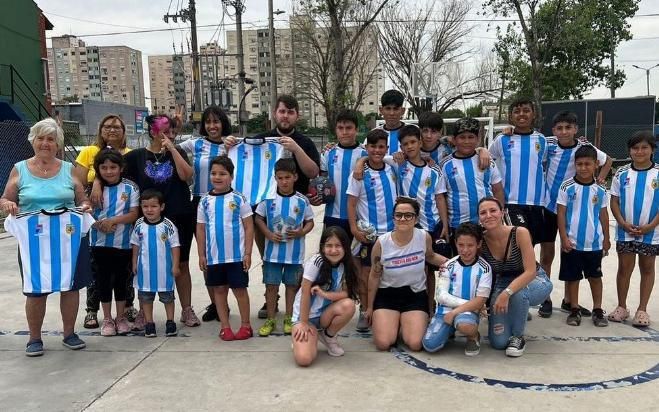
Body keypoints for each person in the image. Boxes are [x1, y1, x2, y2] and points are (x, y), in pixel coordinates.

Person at [0, 118, 93, 356]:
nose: (45, 143)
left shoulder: (68, 169)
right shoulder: (19, 169)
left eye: (51, 139)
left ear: (57, 144)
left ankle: (69, 333)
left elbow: (82, 199)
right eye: (40, 138)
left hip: (68, 238)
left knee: (70, 287)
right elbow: (5, 198)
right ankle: (34, 338)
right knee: (36, 290)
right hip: (34, 239)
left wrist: (85, 206)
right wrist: (8, 204)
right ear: (32, 141)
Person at [123, 115, 201, 328]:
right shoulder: (137, 156)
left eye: (172, 130)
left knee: (181, 263)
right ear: (152, 132)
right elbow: (111, 172)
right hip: (148, 219)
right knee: (145, 263)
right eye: (165, 131)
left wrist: (173, 149)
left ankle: (186, 309)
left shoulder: (178, 152)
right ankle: (143, 312)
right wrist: (96, 185)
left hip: (178, 215)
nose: (170, 134)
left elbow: (187, 176)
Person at [249, 95, 320, 319]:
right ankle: (271, 297)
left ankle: (294, 301)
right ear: (274, 113)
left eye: (290, 112)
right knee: (268, 257)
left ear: (297, 115)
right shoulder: (261, 139)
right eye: (282, 111)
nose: (285, 116)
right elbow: (244, 163)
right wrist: (230, 143)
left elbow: (313, 172)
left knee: (293, 258)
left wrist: (296, 149)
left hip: (295, 213)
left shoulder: (305, 143)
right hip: (266, 211)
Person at [541, 111, 612, 318]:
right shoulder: (548, 144)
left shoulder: (583, 147)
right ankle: (546, 297)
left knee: (570, 255)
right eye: (560, 128)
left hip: (572, 209)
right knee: (547, 255)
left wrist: (600, 179)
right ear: (554, 130)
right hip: (549, 207)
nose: (564, 132)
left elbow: (607, 160)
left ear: (575, 129)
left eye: (568, 127)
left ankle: (568, 301)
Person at [74, 114, 133, 329]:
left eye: (117, 126)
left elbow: (130, 183)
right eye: (107, 126)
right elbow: (78, 183)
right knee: (97, 270)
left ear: (124, 131)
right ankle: (92, 309)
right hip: (95, 214)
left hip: (122, 219)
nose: (112, 130)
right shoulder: (89, 152)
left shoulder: (130, 154)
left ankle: (127, 307)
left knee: (124, 270)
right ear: (100, 130)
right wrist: (97, 184)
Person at [366, 197, 449, 351]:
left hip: (415, 295)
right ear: (393, 218)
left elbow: (430, 256)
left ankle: (404, 323)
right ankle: (393, 323)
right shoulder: (381, 243)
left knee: (415, 343)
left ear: (416, 218)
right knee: (383, 343)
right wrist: (369, 307)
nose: (403, 219)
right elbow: (374, 275)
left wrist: (454, 263)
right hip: (387, 294)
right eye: (398, 215)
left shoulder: (423, 237)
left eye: (408, 215)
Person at [478, 196, 553, 357]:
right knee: (498, 342)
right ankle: (518, 311)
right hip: (503, 282)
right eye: (483, 213)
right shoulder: (481, 241)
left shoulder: (519, 233)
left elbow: (530, 271)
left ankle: (518, 337)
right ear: (479, 217)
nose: (488, 215)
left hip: (535, 280)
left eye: (493, 210)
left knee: (518, 293)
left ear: (502, 212)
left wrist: (505, 294)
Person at [178, 105, 232, 323]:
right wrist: (176, 126)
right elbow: (168, 147)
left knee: (222, 256)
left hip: (224, 204)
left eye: (216, 121)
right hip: (199, 202)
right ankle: (216, 304)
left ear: (223, 123)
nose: (212, 126)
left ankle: (224, 302)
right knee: (206, 257)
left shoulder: (231, 144)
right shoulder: (195, 143)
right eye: (208, 122)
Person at [196, 156, 255, 341]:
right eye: (213, 173)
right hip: (214, 257)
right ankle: (225, 327)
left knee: (240, 290)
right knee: (219, 291)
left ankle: (246, 325)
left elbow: (249, 227)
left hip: (236, 257)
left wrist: (247, 253)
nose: (217, 177)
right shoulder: (204, 201)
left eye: (222, 173)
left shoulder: (239, 198)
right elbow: (200, 228)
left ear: (231, 176)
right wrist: (201, 254)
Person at [255, 158, 315, 336]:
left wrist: (301, 232)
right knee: (271, 287)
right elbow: (258, 218)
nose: (284, 182)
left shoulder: (302, 201)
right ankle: (271, 319)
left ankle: (289, 318)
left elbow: (310, 222)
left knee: (292, 287)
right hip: (272, 255)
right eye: (280, 178)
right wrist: (268, 234)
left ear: (295, 177)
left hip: (294, 255)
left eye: (287, 177)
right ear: (275, 178)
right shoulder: (268, 198)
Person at [346, 128, 398, 332]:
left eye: (381, 147)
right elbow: (351, 203)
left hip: (391, 233)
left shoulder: (391, 167)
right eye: (373, 146)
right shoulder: (359, 174)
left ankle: (385, 309)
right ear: (366, 148)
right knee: (366, 274)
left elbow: (415, 157)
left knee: (389, 273)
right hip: (370, 234)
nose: (377, 150)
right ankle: (364, 310)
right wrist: (353, 228)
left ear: (386, 148)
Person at [608, 131, 659, 326]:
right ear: (629, 151)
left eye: (644, 147)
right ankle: (622, 307)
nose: (639, 151)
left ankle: (642, 310)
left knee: (647, 268)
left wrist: (651, 226)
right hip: (625, 231)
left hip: (651, 232)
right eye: (635, 148)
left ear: (652, 150)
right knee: (624, 268)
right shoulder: (621, 173)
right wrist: (622, 223)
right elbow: (614, 201)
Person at [556, 145, 610, 327]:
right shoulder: (567, 186)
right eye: (579, 164)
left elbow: (603, 215)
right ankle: (574, 309)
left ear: (596, 164)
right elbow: (561, 213)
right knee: (573, 278)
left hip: (594, 243)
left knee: (595, 277)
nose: (583, 167)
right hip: (572, 243)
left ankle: (597, 309)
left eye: (588, 164)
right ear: (575, 165)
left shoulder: (600, 189)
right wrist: (564, 238)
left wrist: (607, 239)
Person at [89, 147, 140, 336]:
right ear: (98, 169)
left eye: (113, 167)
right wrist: (98, 225)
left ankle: (120, 317)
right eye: (104, 167)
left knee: (121, 280)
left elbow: (134, 214)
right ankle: (107, 319)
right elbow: (85, 213)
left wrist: (113, 221)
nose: (108, 171)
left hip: (123, 243)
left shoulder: (130, 188)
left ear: (121, 168)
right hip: (99, 244)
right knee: (103, 281)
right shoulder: (93, 189)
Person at [291, 227, 359, 366]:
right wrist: (303, 323)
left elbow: (347, 293)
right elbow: (305, 292)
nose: (333, 250)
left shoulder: (346, 264)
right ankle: (306, 338)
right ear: (322, 247)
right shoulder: (316, 261)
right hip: (305, 316)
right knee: (304, 359)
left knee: (349, 305)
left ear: (345, 247)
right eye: (329, 245)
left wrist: (324, 294)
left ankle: (328, 336)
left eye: (338, 246)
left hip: (324, 316)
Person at [422, 223, 492, 356]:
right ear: (455, 243)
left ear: (478, 244)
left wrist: (455, 312)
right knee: (429, 346)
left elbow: (480, 300)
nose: (465, 250)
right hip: (446, 311)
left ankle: (473, 337)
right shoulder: (448, 265)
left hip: (468, 312)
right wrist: (474, 304)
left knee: (465, 326)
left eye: (470, 245)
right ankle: (450, 329)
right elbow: (441, 296)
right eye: (461, 245)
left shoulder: (485, 268)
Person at [437, 117, 504, 252]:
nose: (467, 141)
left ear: (477, 139)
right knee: (463, 260)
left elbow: (497, 190)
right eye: (462, 137)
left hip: (486, 223)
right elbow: (441, 197)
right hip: (458, 225)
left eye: (471, 137)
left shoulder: (486, 161)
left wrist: (499, 217)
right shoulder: (445, 165)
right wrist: (445, 224)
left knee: (489, 259)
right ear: (454, 140)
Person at [130, 189, 181, 338]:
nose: (149, 210)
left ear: (162, 207)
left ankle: (170, 322)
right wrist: (134, 262)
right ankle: (149, 323)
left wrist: (175, 265)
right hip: (144, 271)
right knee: (146, 298)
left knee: (168, 298)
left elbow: (175, 246)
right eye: (145, 206)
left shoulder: (168, 225)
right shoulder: (139, 224)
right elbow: (135, 244)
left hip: (164, 271)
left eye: (153, 206)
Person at [315, 109, 367, 241]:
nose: (344, 132)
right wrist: (315, 196)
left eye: (348, 128)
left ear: (356, 129)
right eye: (340, 128)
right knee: (333, 251)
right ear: (336, 130)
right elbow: (322, 182)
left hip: (359, 217)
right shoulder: (327, 153)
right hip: (332, 215)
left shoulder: (365, 154)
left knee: (356, 254)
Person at [372, 89, 406, 155]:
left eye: (395, 109)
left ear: (403, 111)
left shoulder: (414, 132)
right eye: (388, 108)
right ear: (381, 110)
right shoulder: (373, 134)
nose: (391, 113)